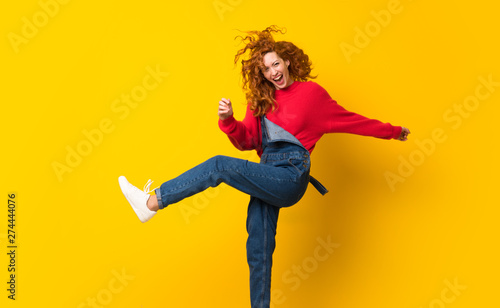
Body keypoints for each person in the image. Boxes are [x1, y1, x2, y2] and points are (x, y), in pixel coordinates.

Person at [118, 25, 410, 308]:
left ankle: (153, 201)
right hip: (266, 173)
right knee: (258, 247)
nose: (273, 72)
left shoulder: (312, 95)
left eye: (276, 64)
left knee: (219, 165)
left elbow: (353, 121)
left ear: (287, 60)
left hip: (290, 176)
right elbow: (247, 140)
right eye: (266, 69)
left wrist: (393, 131)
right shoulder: (261, 100)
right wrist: (228, 121)